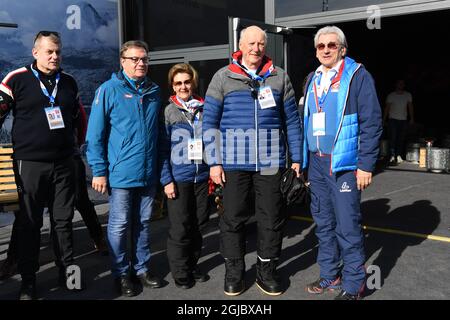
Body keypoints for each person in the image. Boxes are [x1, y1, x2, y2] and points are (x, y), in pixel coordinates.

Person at [203, 26, 303, 296]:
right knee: (232, 219)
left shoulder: (279, 77)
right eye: (251, 43)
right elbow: (209, 123)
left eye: (261, 43)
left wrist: (296, 159)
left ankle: (266, 271)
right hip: (233, 163)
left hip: (271, 162)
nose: (256, 48)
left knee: (272, 219)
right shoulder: (222, 77)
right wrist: (213, 162)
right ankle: (234, 271)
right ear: (240, 45)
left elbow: (292, 121)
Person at [301, 26, 382, 300]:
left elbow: (372, 122)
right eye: (321, 46)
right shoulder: (313, 78)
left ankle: (354, 284)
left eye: (331, 45)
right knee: (323, 223)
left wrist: (366, 165)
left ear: (342, 49)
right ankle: (330, 276)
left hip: (345, 164)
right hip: (317, 163)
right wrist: (303, 160)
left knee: (347, 226)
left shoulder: (358, 76)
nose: (325, 50)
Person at [0, 30, 80, 299]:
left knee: (63, 221)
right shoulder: (16, 79)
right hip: (30, 164)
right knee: (29, 223)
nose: (55, 56)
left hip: (64, 163)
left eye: (58, 51)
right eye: (49, 51)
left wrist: (75, 148)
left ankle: (68, 274)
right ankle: (29, 281)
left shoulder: (68, 81)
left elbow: (79, 118)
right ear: (35, 53)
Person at [86, 40, 162, 297]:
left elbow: (158, 135)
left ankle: (141, 268)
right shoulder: (108, 90)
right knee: (118, 225)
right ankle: (121, 273)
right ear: (122, 61)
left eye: (144, 59)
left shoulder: (154, 91)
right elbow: (95, 135)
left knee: (142, 222)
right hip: (120, 174)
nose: (140, 63)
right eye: (134, 59)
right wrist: (98, 170)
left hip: (147, 172)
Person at [159, 63, 210, 289]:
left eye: (186, 82)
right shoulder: (169, 111)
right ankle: (180, 272)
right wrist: (166, 180)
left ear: (193, 82)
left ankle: (192, 264)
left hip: (202, 176)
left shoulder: (205, 108)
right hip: (179, 177)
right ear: (172, 86)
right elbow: (161, 150)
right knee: (180, 227)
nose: (183, 86)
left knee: (198, 224)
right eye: (178, 83)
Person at [383, 79, 414, 164]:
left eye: (402, 84)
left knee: (401, 138)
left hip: (403, 119)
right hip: (393, 119)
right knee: (393, 138)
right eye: (399, 83)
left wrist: (411, 118)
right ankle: (392, 155)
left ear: (404, 85)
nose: (400, 85)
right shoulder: (391, 95)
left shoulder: (408, 95)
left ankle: (399, 155)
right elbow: (387, 108)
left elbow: (410, 107)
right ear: (396, 85)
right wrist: (384, 119)